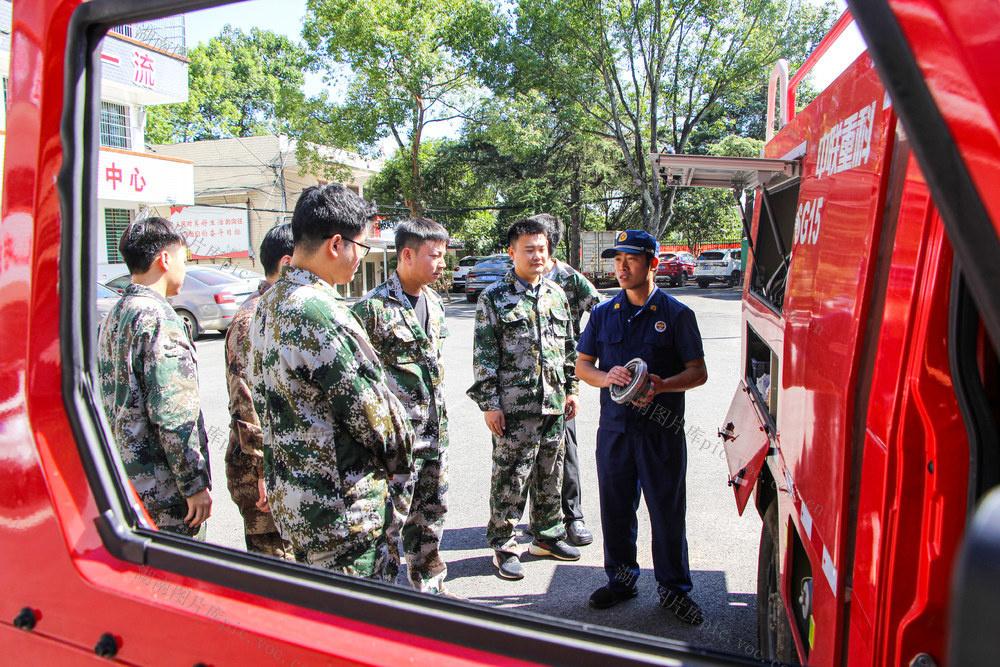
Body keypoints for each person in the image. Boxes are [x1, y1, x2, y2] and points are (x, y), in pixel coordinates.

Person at [248, 184, 414, 580]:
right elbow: (377, 420)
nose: (361, 258)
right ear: (337, 244)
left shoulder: (268, 303)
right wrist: (403, 464)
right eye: (361, 246)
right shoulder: (319, 311)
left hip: (299, 504)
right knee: (366, 626)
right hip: (343, 512)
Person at [575, 230, 708, 625]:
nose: (622, 267)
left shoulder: (676, 315)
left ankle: (674, 590)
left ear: (652, 263)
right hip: (614, 430)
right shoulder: (602, 314)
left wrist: (663, 384)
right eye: (617, 260)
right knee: (616, 511)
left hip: (660, 431)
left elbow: (698, 372)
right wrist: (606, 377)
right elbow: (583, 365)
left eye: (631, 259)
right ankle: (621, 582)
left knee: (667, 512)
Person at [467, 217, 581, 580]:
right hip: (514, 409)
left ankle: (546, 535)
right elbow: (484, 356)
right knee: (510, 477)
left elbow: (568, 348)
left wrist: (573, 388)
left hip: (554, 403)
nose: (536, 255)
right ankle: (503, 542)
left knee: (551, 472)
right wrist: (490, 404)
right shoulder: (494, 298)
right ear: (512, 251)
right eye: (529, 249)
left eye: (542, 249)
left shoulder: (556, 295)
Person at [352, 217, 451, 593]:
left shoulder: (435, 303)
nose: (442, 263)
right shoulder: (372, 309)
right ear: (407, 255)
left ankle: (428, 581)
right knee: (390, 521)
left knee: (431, 514)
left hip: (434, 432)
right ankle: (387, 594)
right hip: (397, 442)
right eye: (435, 256)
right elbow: (362, 381)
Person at [98, 217, 212, 538]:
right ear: (165, 259)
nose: (184, 270)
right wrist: (193, 484)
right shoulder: (160, 319)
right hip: (165, 494)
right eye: (183, 259)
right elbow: (174, 414)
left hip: (125, 483)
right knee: (180, 581)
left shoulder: (115, 314)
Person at [531, 213, 602, 547]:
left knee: (566, 450)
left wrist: (584, 348)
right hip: (525, 386)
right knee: (528, 454)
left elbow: (600, 310)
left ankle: (573, 516)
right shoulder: (516, 276)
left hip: (560, 383)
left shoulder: (568, 278)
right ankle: (540, 521)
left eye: (539, 242)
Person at [224, 223, 295, 559]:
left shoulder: (277, 309)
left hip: (281, 467)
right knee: (282, 575)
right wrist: (265, 470)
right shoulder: (252, 318)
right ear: (286, 264)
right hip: (262, 472)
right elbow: (246, 402)